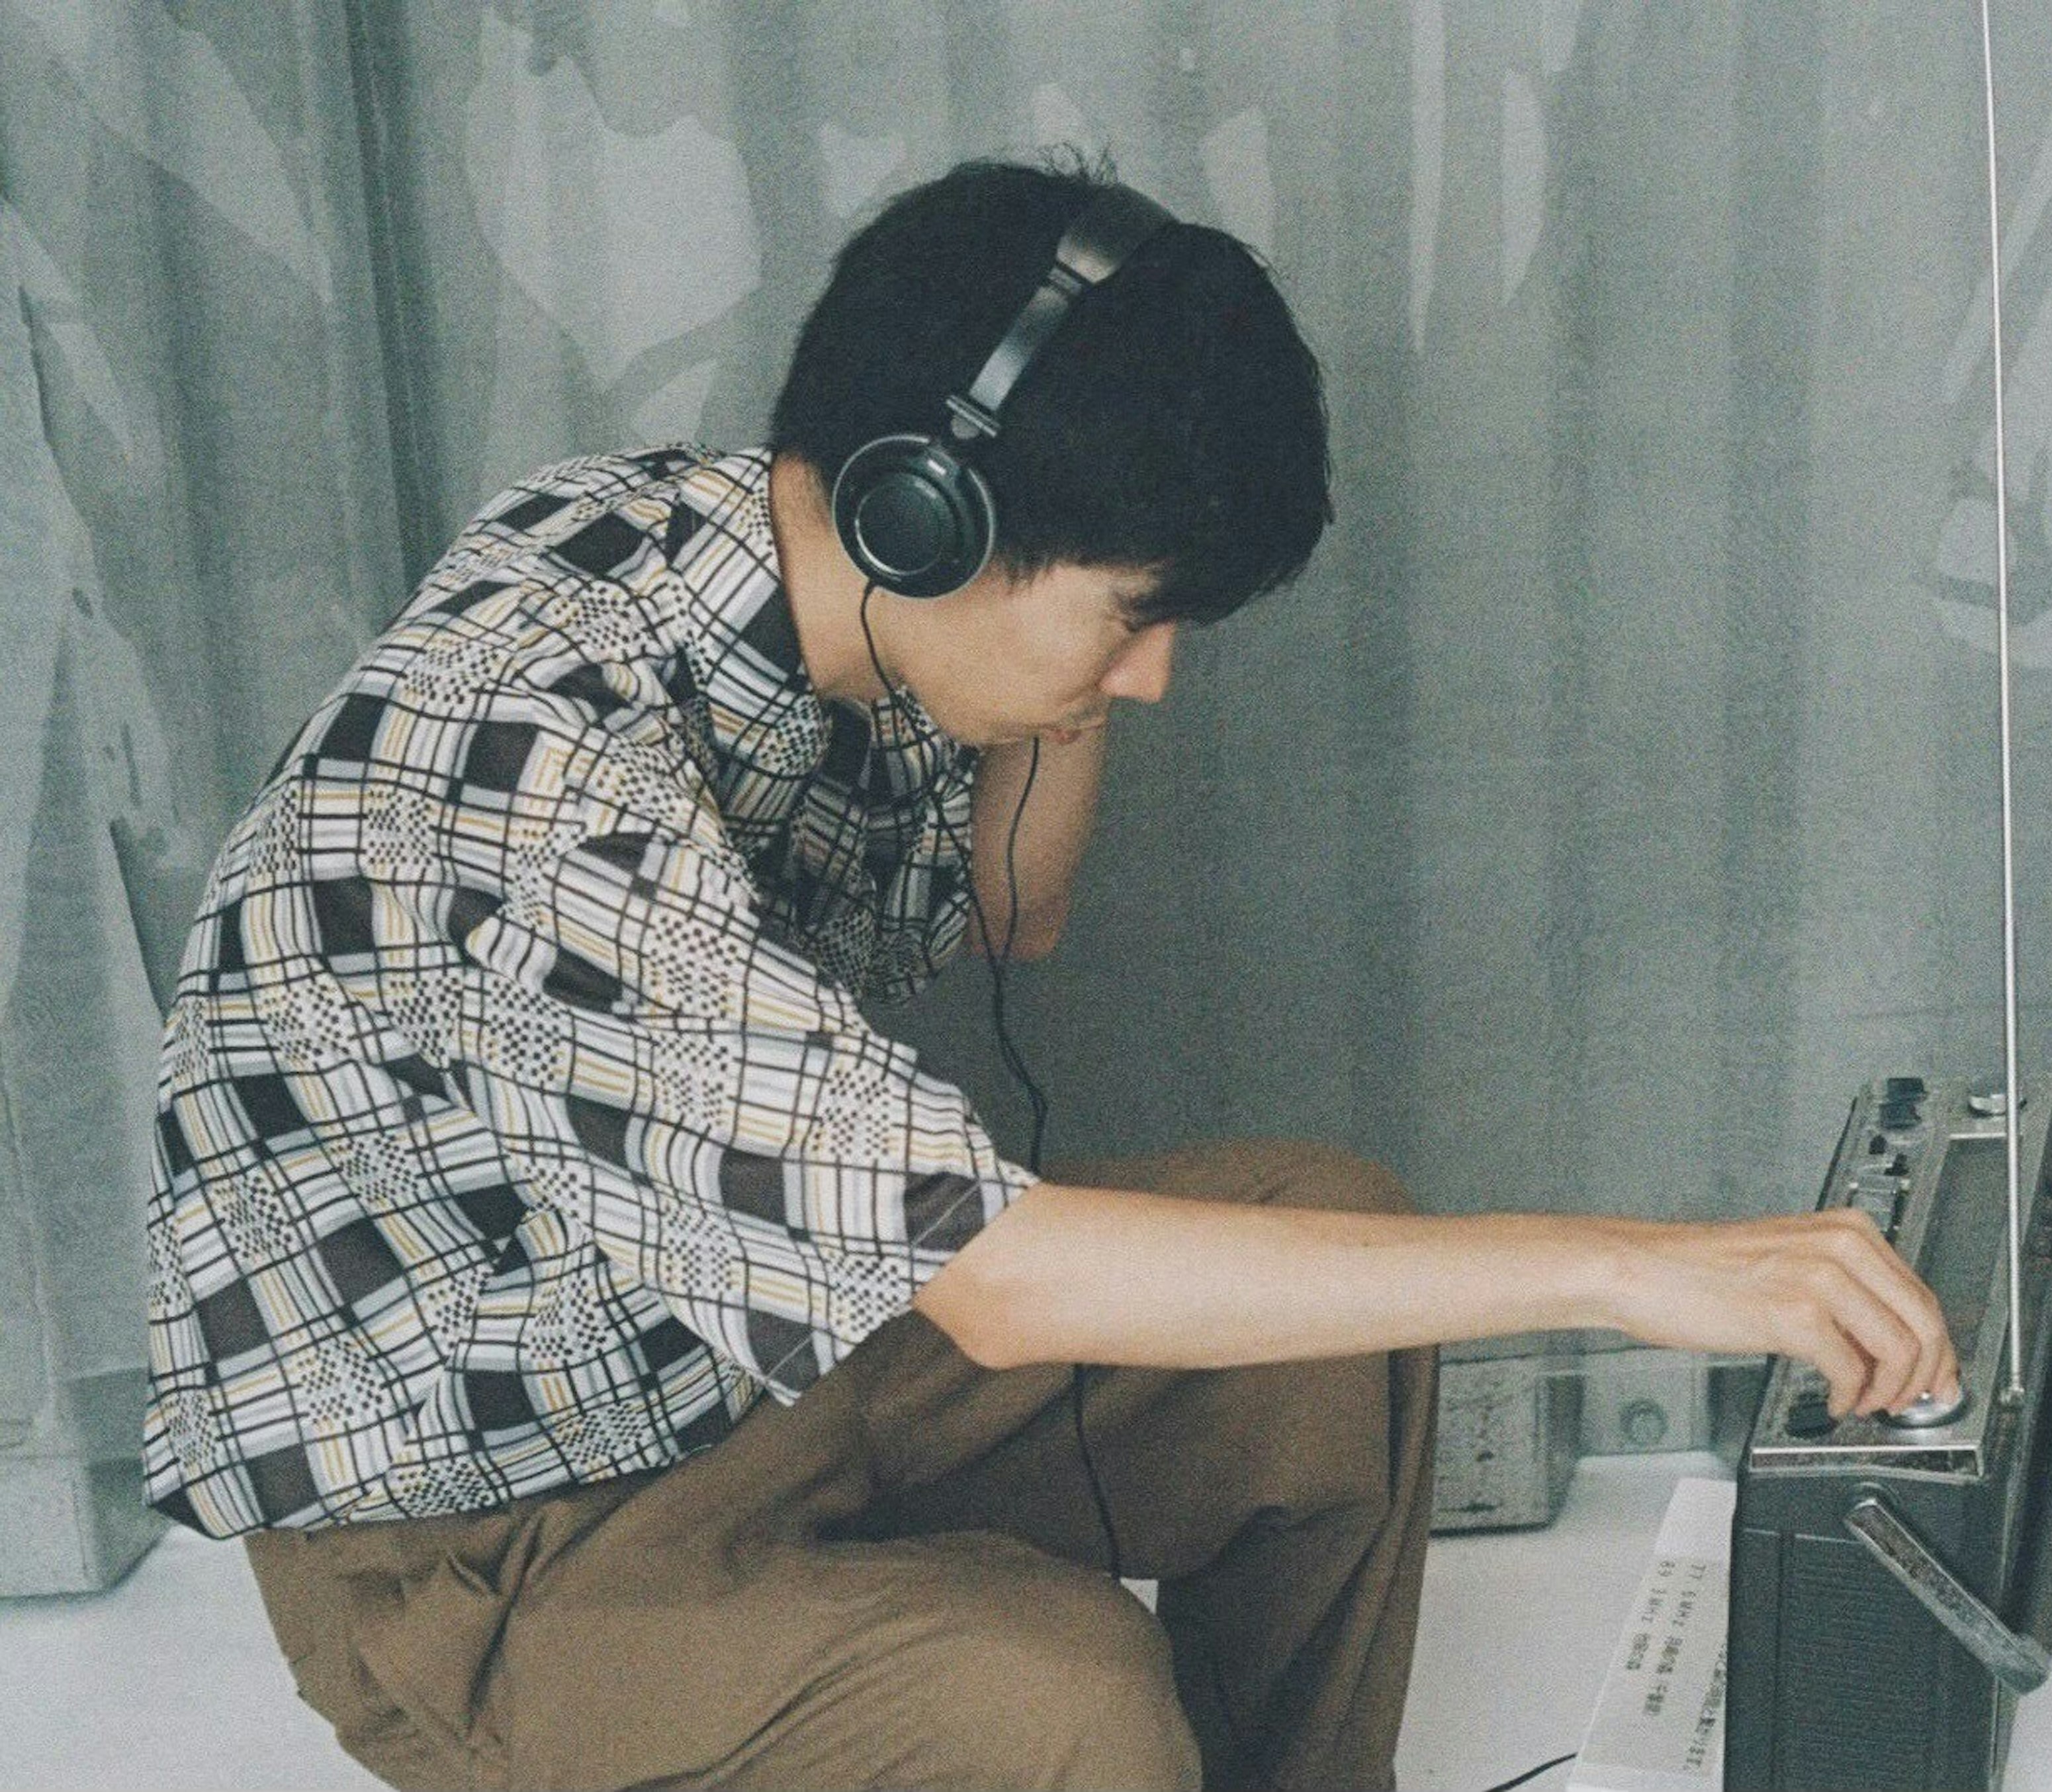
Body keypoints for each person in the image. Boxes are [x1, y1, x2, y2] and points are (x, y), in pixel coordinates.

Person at [140, 156, 1957, 1792]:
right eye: (1136, 615)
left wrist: (1058, 658)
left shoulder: (776, 565)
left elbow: (1016, 912)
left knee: (1343, 1289)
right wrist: (1627, 1272)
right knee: (1064, 1698)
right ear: (919, 515)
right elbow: (997, 1284)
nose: (1159, 681)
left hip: (728, 1363)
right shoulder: (533, 793)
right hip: (486, 1556)